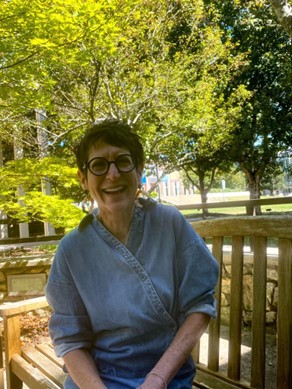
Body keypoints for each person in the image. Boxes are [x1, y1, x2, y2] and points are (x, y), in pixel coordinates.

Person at [46, 119, 219, 389]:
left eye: (122, 161)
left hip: (168, 375)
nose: (112, 174)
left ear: (139, 171)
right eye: (99, 165)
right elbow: (70, 338)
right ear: (83, 178)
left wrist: (157, 379)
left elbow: (200, 306)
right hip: (99, 378)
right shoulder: (72, 250)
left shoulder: (169, 223)